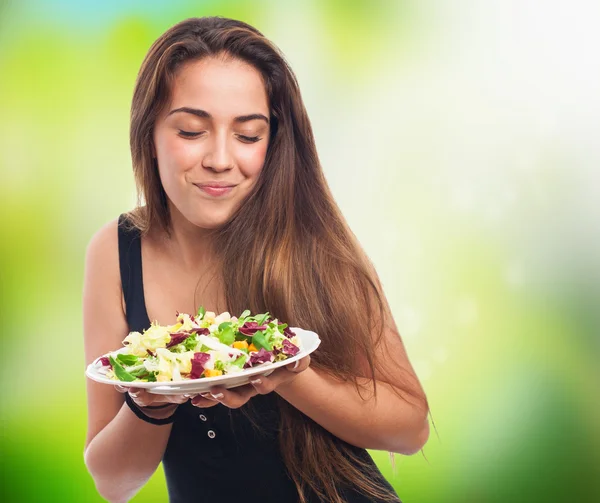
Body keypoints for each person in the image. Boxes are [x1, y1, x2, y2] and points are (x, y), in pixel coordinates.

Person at [83, 16, 429, 503]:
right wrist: (154, 400)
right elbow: (112, 482)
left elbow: (409, 428)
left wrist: (288, 375)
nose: (221, 159)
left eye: (248, 136)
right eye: (191, 131)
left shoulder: (311, 244)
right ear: (150, 133)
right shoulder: (116, 251)